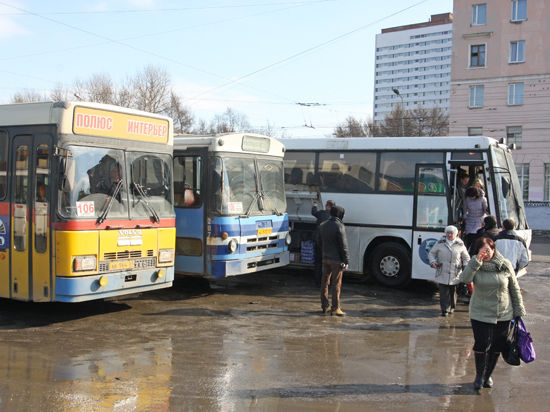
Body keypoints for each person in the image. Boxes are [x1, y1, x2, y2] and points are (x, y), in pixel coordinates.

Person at [459, 237, 526, 390]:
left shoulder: (505, 265)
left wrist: (518, 310)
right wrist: (476, 262)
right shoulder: (475, 264)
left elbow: (514, 289)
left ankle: (487, 375)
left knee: (497, 346)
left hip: (503, 313)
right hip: (480, 313)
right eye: (483, 251)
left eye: (488, 250)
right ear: (478, 252)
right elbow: (465, 279)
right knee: (482, 344)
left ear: (494, 249)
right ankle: (478, 375)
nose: (486, 254)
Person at [428, 225, 470, 316]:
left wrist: (465, 266)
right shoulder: (440, 243)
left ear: (456, 234)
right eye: (448, 233)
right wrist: (432, 262)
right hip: (442, 271)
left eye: (451, 233)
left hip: (455, 272)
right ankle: (445, 309)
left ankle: (452, 307)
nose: (449, 235)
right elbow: (431, 253)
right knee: (443, 292)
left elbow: (466, 257)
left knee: (453, 292)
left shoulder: (460, 244)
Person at [317, 205, 350, 316]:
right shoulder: (339, 226)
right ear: (340, 214)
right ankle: (335, 308)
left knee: (324, 282)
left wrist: (324, 252)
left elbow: (319, 242)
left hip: (325, 258)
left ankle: (325, 306)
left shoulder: (322, 225)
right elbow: (343, 245)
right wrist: (346, 261)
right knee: (336, 285)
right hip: (336, 261)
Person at [311, 200, 336, 286]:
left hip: (319, 242)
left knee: (318, 262)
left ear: (327, 206)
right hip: (329, 244)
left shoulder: (322, 213)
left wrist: (314, 205)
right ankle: (328, 282)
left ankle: (318, 282)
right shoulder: (334, 216)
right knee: (329, 263)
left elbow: (313, 212)